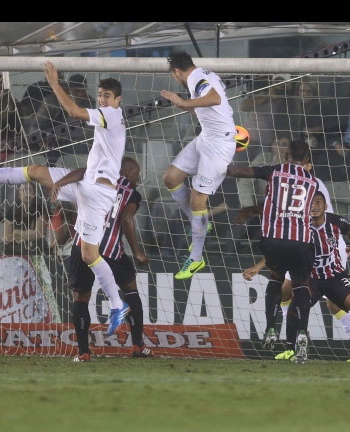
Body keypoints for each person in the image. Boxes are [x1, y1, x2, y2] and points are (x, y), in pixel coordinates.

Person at [0, 61, 129, 336]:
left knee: (89, 254)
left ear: (118, 100)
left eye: (107, 96)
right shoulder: (103, 127)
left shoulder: (112, 116)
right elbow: (88, 168)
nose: (102, 99)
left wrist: (54, 83)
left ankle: (117, 305)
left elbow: (73, 111)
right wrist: (62, 181)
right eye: (100, 95)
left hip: (99, 197)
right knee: (36, 171)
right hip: (86, 185)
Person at [244, 191, 350, 363]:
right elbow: (279, 249)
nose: (314, 206)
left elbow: (349, 230)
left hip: (336, 276)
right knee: (295, 308)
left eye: (318, 203)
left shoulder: (336, 221)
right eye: (311, 203)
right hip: (311, 278)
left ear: (325, 206)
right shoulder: (299, 227)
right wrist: (258, 266)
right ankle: (290, 349)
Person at [227, 139, 318, 364]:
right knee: (302, 284)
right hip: (300, 241)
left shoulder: (274, 171)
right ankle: (303, 333)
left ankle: (270, 328)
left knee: (276, 278)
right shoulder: (313, 182)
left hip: (273, 239)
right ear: (307, 159)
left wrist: (224, 154)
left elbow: (238, 172)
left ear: (287, 155)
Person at [62, 157, 151, 362]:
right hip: (110, 250)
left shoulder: (95, 179)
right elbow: (127, 219)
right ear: (128, 173)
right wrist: (136, 251)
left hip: (82, 244)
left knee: (81, 297)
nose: (137, 179)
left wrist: (59, 183)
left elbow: (80, 173)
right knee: (130, 288)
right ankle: (138, 345)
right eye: (137, 174)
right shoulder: (131, 192)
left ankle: (84, 352)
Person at [160, 51, 236, 280]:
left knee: (197, 200)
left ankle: (196, 259)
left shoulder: (195, 78)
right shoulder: (202, 75)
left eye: (174, 75)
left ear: (177, 72)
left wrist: (183, 101)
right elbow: (209, 106)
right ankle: (200, 224)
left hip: (219, 145)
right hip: (206, 137)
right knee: (171, 178)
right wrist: (189, 107)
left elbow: (215, 98)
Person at [3, 183, 49, 256]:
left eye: (30, 190)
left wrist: (17, 232)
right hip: (14, 251)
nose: (28, 193)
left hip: (37, 251)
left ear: (34, 193)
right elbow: (7, 236)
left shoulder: (40, 209)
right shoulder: (11, 210)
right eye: (24, 190)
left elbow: (39, 234)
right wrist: (30, 234)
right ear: (18, 194)